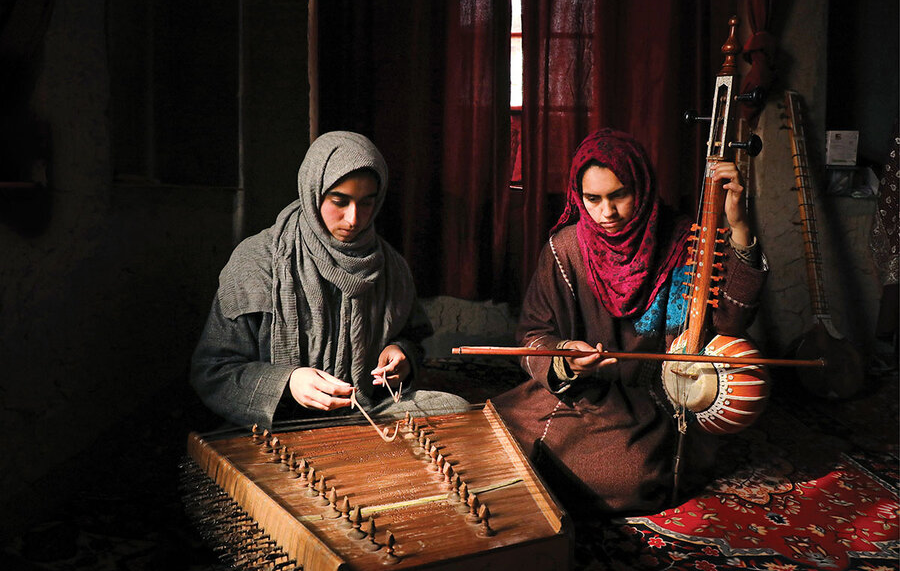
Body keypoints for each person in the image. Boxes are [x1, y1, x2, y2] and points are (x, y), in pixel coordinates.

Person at [493, 128, 768, 515]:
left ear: (641, 186)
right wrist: (566, 356)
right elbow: (534, 333)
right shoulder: (566, 247)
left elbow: (731, 323)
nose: (607, 212)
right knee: (495, 436)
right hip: (578, 390)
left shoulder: (685, 240)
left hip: (650, 401)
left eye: (619, 194)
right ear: (578, 196)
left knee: (628, 479)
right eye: (593, 199)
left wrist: (739, 228)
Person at [191, 131, 469, 429]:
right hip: (276, 422)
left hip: (366, 414)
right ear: (313, 190)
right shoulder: (257, 261)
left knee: (457, 411)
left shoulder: (391, 267)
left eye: (366, 203)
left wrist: (401, 354)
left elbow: (414, 339)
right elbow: (213, 372)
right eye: (340, 201)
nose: (353, 218)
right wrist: (288, 382)